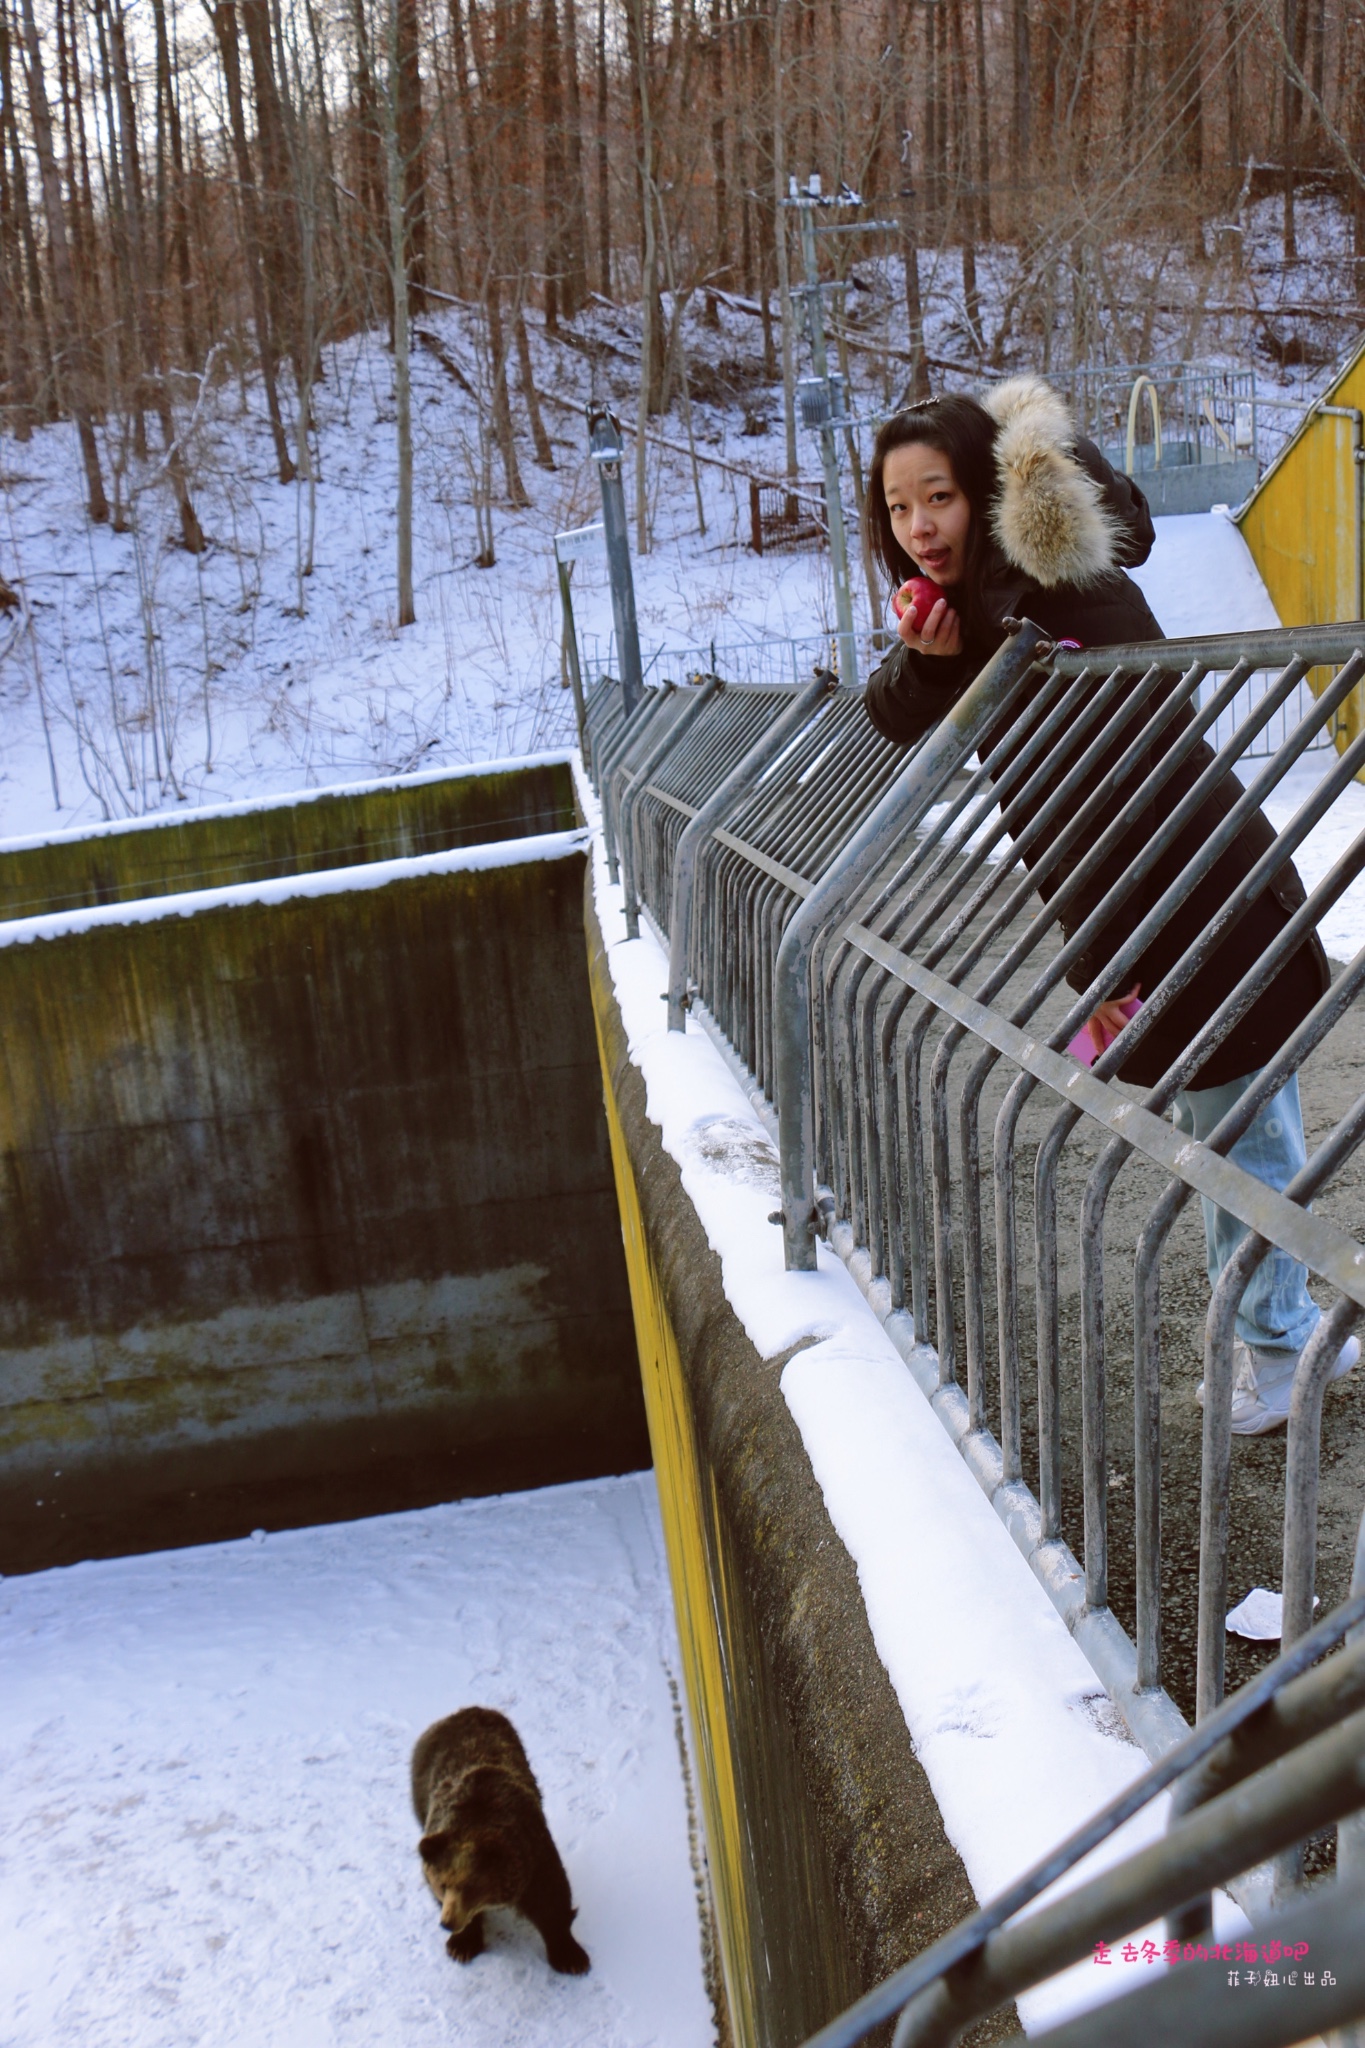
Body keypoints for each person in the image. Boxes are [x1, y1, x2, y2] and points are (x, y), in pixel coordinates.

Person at [860, 375, 1355, 1436]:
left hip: (1198, 883)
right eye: (898, 508)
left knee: (1239, 1119)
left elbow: (1108, 533)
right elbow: (891, 717)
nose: (917, 528)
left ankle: (1278, 1350)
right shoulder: (965, 618)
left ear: (986, 486)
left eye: (937, 495)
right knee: (1236, 1112)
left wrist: (1042, 464)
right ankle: (1290, 1327)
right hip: (1137, 904)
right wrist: (925, 657)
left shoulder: (1051, 574)